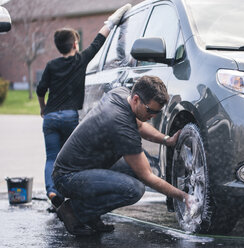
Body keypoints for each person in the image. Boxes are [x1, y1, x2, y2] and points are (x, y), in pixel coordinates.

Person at [52, 76, 192, 236]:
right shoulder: (120, 124)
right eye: (150, 111)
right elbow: (147, 177)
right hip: (68, 178)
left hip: (84, 167)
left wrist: (167, 140)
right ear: (136, 99)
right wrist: (184, 196)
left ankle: (90, 214)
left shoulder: (121, 94)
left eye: (157, 112)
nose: (153, 116)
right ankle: (74, 211)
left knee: (136, 167)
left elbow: (140, 125)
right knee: (133, 189)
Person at [36, 4, 132, 210]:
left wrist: (43, 108)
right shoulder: (80, 60)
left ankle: (52, 191)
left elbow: (40, 89)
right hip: (70, 117)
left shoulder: (51, 65)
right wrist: (113, 20)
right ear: (74, 45)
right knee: (69, 159)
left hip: (51, 117)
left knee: (52, 157)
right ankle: (72, 197)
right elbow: (99, 41)